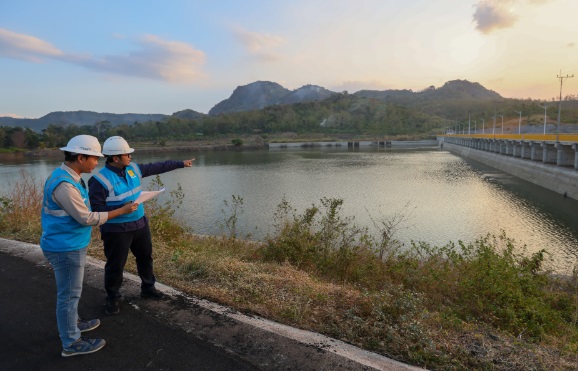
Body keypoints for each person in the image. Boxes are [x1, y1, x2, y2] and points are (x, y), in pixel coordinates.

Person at [41, 135, 138, 357]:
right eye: (94, 158)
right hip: (64, 247)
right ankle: (71, 343)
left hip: (69, 243)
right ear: (81, 157)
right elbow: (86, 218)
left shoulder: (69, 176)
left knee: (70, 292)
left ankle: (72, 324)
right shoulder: (65, 185)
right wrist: (120, 211)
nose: (97, 163)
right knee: (69, 295)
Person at [87, 136, 193, 315]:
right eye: (127, 154)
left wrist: (180, 163)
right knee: (116, 265)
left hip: (140, 224)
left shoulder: (133, 169)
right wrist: (122, 209)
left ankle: (148, 287)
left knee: (145, 257)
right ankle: (112, 298)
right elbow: (97, 209)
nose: (130, 157)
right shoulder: (99, 181)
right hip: (116, 230)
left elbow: (157, 166)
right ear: (115, 158)